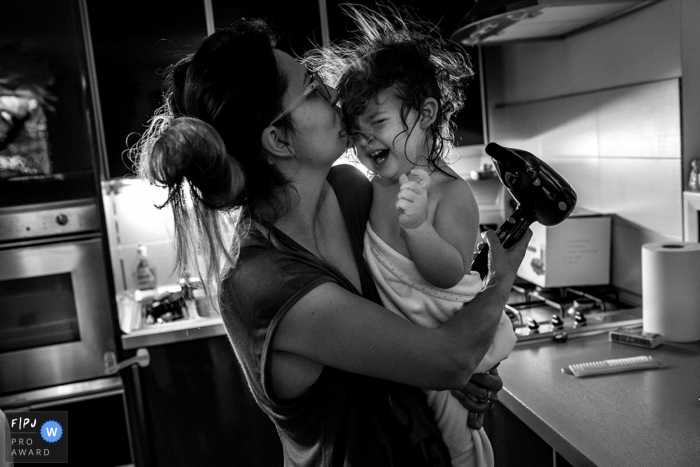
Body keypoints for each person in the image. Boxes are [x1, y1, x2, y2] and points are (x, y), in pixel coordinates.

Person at [133, 16, 530, 466]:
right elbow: (448, 359)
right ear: (279, 138)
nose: (337, 99)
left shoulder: (350, 191)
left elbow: (403, 325)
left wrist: (456, 364)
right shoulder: (262, 281)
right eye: (315, 89)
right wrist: (501, 278)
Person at [307, 5, 515, 467]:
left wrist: (419, 228)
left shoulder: (449, 193)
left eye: (378, 125)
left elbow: (446, 274)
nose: (364, 143)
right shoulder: (368, 188)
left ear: (425, 114)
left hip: (444, 327)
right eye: (356, 133)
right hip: (412, 353)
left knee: (458, 443)